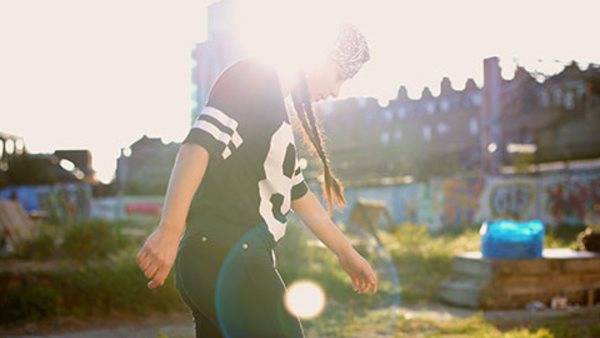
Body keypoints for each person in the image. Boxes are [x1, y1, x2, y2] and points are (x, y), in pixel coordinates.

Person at [136, 23, 378, 338]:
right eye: (339, 76)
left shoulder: (275, 116)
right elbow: (198, 145)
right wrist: (170, 228)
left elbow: (300, 198)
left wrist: (347, 253)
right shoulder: (253, 79)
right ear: (318, 57)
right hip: (230, 255)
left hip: (213, 260)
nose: (336, 91)